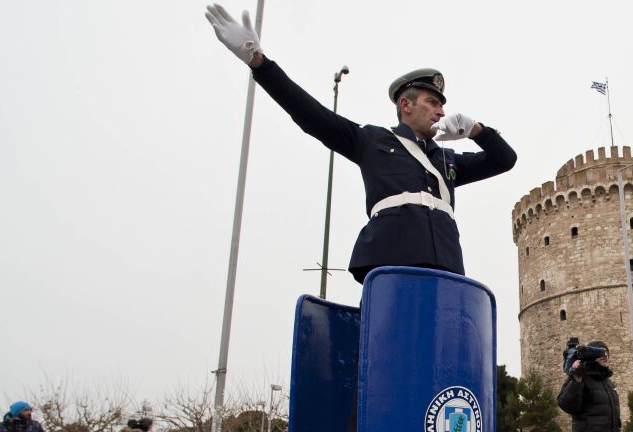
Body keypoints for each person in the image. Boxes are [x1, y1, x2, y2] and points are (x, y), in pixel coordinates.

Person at [205, 4, 517, 284]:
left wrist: (476, 130)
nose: (441, 112)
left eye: (442, 106)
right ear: (406, 105)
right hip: (391, 265)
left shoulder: (446, 160)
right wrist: (259, 63)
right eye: (432, 102)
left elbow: (504, 160)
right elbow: (311, 115)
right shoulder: (372, 140)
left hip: (446, 268)